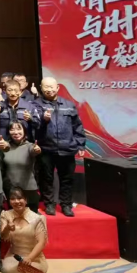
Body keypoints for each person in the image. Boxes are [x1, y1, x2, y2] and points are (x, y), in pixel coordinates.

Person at [33, 77, 86, 217]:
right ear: (41, 88)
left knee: (67, 179)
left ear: (57, 88)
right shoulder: (36, 104)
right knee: (46, 178)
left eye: (52, 86)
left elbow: (77, 126)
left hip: (67, 148)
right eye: (46, 87)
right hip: (46, 148)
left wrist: (80, 144)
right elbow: (34, 126)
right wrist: (43, 119)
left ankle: (66, 204)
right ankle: (49, 204)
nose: (49, 89)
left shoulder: (68, 104)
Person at [0, 187, 49, 273]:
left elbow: (41, 242)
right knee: (10, 269)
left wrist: (30, 258)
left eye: (20, 198)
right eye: (13, 199)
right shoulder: (6, 215)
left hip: (35, 257)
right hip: (14, 256)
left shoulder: (37, 218)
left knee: (28, 269)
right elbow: (3, 236)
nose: (16, 201)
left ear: (26, 200)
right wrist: (7, 228)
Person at [3, 122, 42, 213]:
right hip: (11, 189)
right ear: (8, 132)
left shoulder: (30, 146)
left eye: (19, 129)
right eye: (12, 129)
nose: (16, 132)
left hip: (28, 189)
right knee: (14, 218)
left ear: (24, 131)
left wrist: (37, 150)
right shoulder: (5, 147)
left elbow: (34, 151)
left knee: (31, 218)